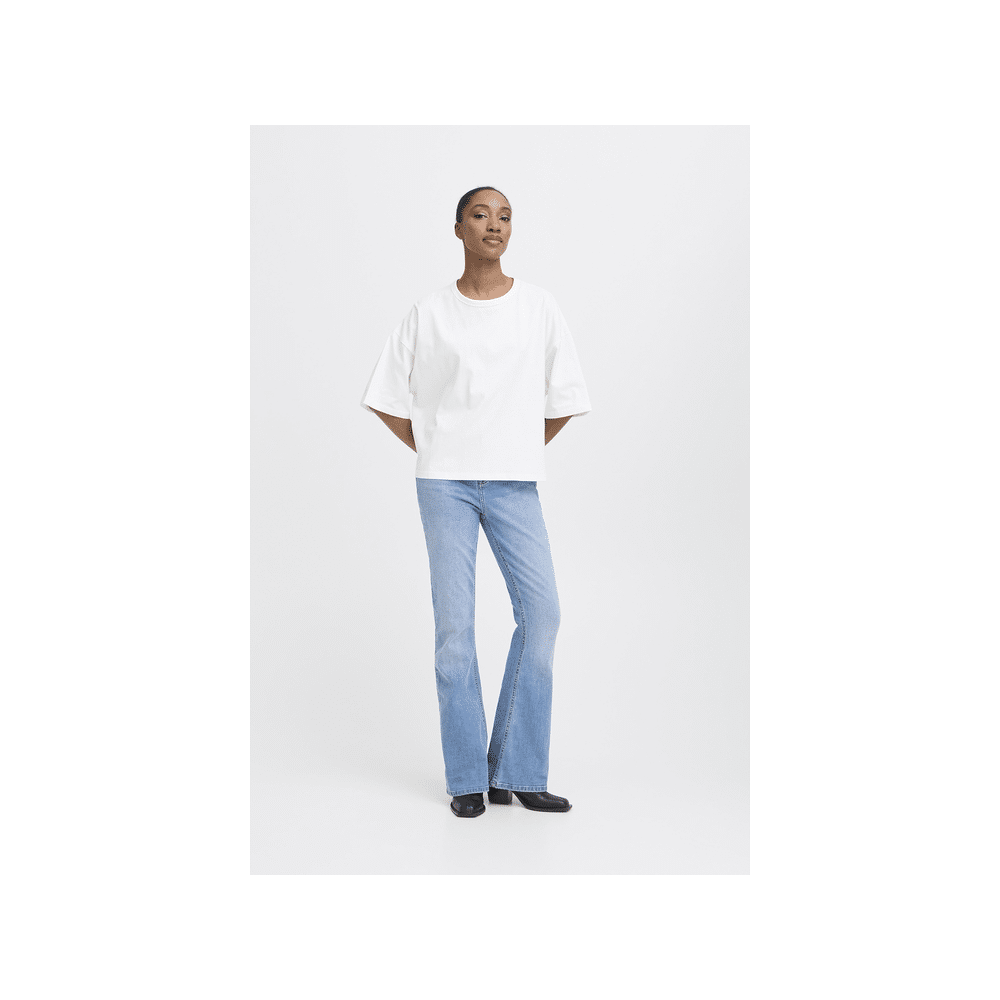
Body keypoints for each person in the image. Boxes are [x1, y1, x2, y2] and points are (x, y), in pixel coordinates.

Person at [360, 186, 592, 818]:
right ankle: (466, 777)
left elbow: (566, 396)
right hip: (446, 486)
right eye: (482, 215)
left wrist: (517, 446)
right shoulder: (429, 312)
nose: (496, 225)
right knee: (455, 633)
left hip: (515, 482)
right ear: (459, 228)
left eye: (506, 216)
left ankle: (518, 770)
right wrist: (436, 447)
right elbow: (385, 396)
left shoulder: (538, 307)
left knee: (541, 616)